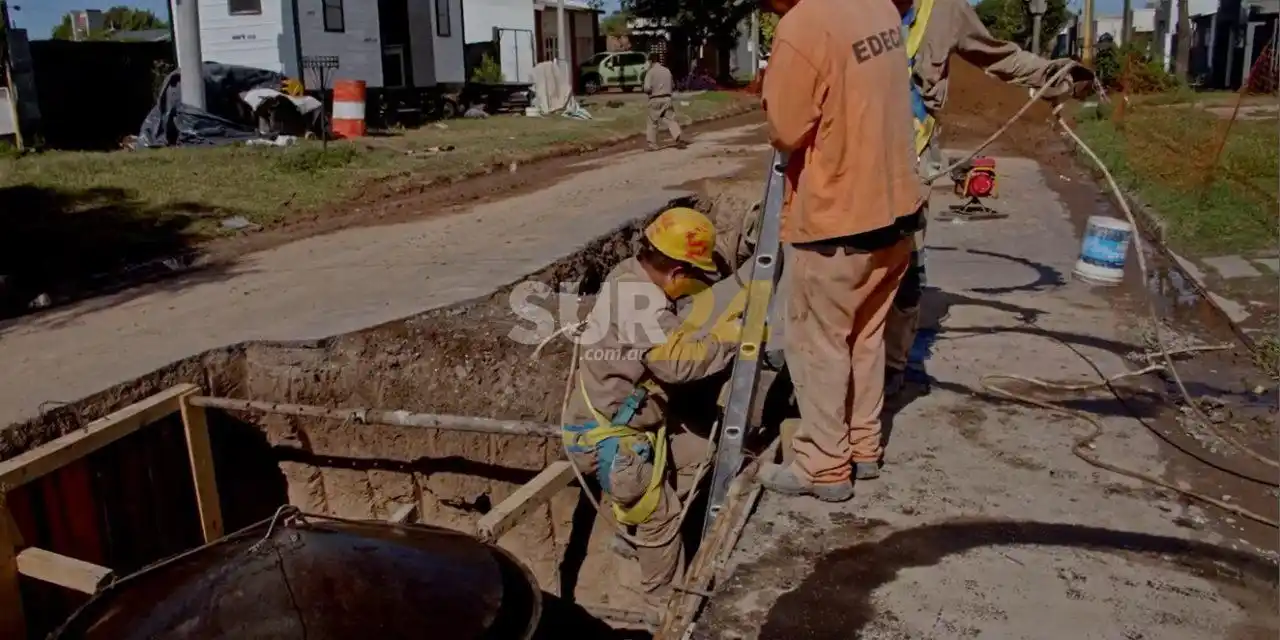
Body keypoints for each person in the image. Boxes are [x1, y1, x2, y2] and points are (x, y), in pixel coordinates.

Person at [754, 0, 926, 501]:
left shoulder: (803, 26)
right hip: (895, 212)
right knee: (866, 337)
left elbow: (786, 129)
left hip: (839, 219)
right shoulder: (878, 9)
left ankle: (824, 467)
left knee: (820, 346)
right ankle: (863, 446)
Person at [883, 0, 1095, 398]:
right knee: (843, 267)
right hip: (849, 160)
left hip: (910, 162)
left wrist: (1051, 75)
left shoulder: (943, 11)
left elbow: (997, 55)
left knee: (906, 269)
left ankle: (892, 366)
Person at [561, 206, 743, 616]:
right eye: (694, 276)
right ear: (677, 272)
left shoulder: (629, 272)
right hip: (610, 442)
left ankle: (636, 527)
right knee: (661, 519)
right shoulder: (642, 303)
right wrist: (729, 340)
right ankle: (663, 603)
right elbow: (676, 365)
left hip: (620, 421)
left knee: (700, 452)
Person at [642, 53, 684, 151]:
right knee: (671, 119)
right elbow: (672, 85)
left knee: (652, 122)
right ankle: (677, 138)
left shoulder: (650, 72)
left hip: (655, 99)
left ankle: (653, 145)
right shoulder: (667, 71)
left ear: (651, 61)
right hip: (667, 98)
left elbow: (647, 88)